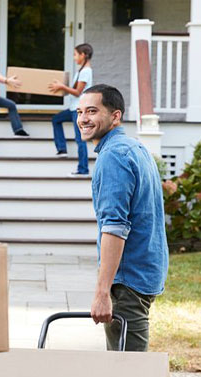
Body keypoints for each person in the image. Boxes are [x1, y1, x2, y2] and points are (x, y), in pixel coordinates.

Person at [75, 84, 168, 352]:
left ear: (115, 116)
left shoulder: (113, 156)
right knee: (129, 367)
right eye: (80, 112)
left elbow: (115, 227)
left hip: (128, 278)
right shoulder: (134, 148)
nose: (83, 119)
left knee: (129, 369)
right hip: (144, 272)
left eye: (92, 111)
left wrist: (102, 292)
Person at [48, 43, 94, 175]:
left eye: (75, 55)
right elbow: (74, 90)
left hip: (79, 110)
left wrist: (62, 87)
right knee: (56, 119)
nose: (74, 58)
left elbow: (78, 92)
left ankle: (83, 169)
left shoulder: (85, 72)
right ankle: (62, 149)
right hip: (74, 108)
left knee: (80, 139)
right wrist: (61, 88)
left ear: (83, 55)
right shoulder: (81, 71)